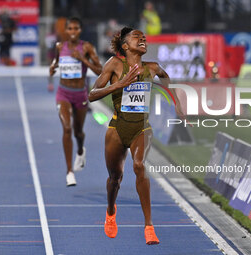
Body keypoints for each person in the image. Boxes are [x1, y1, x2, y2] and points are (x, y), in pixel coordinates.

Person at [89, 27, 183, 245]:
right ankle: (111, 211)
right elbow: (92, 94)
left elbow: (165, 77)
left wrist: (176, 101)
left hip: (141, 127)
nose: (142, 38)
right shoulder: (114, 64)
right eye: (136, 37)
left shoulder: (152, 67)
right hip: (117, 128)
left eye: (144, 37)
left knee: (139, 165)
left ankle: (149, 226)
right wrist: (120, 84)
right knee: (115, 178)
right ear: (124, 45)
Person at [49, 17, 102, 186]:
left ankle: (80, 150)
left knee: (78, 132)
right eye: (70, 28)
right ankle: (69, 171)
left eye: (76, 29)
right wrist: (52, 68)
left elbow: (100, 70)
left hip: (80, 95)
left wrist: (83, 59)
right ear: (66, 30)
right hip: (63, 93)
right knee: (66, 128)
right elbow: (55, 63)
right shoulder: (60, 47)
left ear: (80, 30)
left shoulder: (86, 47)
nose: (72, 31)